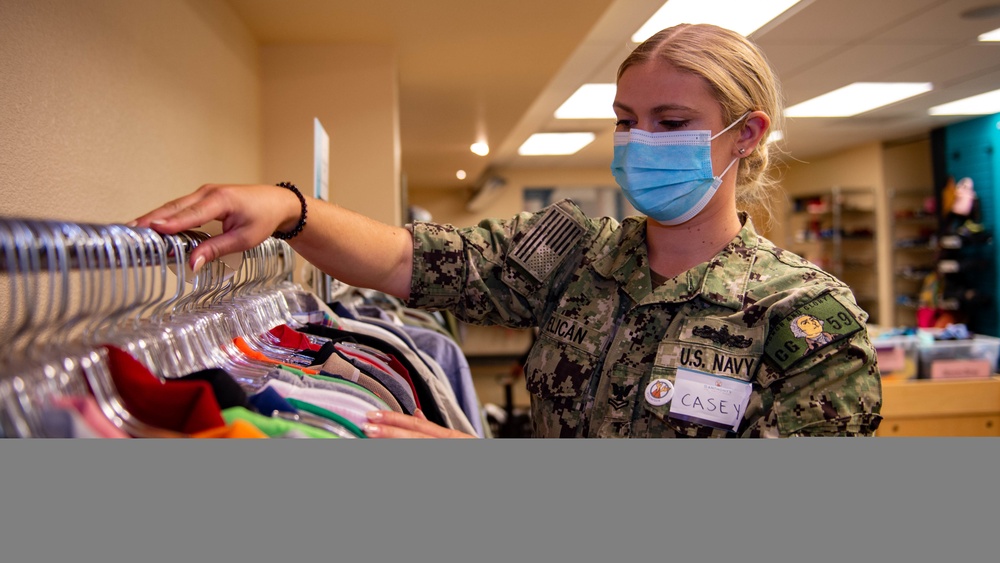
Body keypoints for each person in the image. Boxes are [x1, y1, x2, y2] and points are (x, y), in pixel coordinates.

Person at [130, 24, 883, 438]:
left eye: (671, 123)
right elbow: (406, 259)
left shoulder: (809, 320)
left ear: (746, 135)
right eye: (625, 121)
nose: (638, 141)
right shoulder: (573, 256)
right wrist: (289, 208)